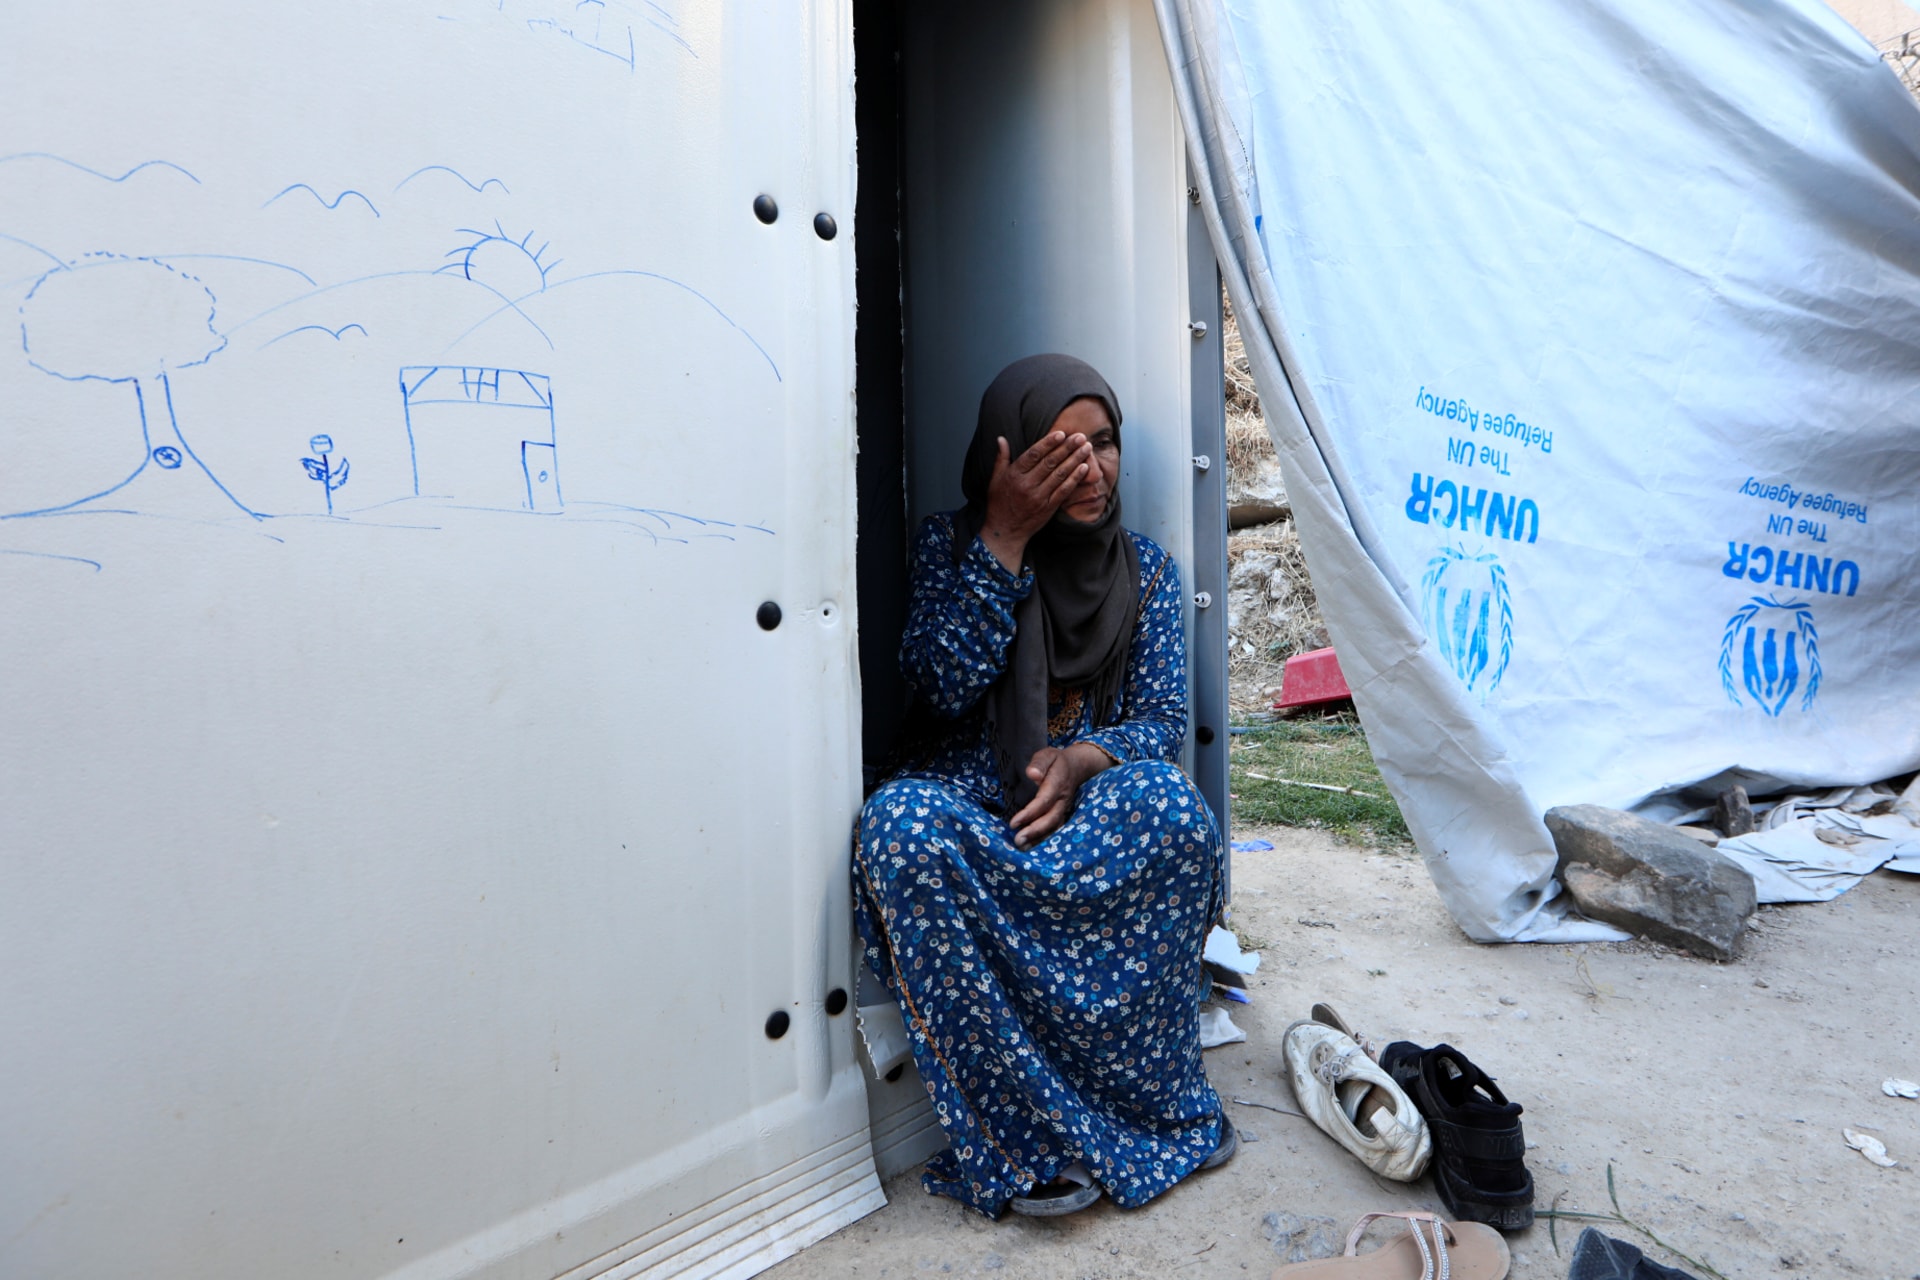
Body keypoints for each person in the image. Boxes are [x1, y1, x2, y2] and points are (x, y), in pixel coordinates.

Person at [853, 353, 1230, 1219]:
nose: (1090, 471)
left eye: (1103, 445)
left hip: (1082, 820)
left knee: (1173, 810)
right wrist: (1005, 537)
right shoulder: (952, 546)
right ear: (1008, 461)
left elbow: (1161, 718)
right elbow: (939, 679)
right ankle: (1024, 1143)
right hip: (979, 824)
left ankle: (1143, 1108)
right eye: (1059, 453)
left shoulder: (1148, 572)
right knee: (898, 827)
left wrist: (1084, 759)